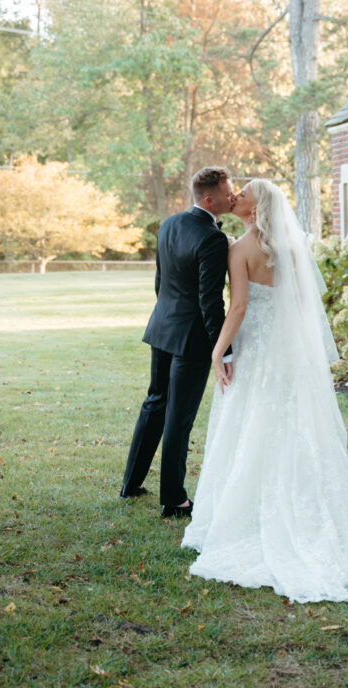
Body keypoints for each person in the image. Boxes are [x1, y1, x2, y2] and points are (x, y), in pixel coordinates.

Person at [182, 179, 348, 602]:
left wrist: (218, 350)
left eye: (243, 193)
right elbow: (304, 304)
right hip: (288, 350)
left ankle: (250, 517)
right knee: (292, 424)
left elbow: (240, 307)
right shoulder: (291, 246)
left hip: (257, 349)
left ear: (255, 206)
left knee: (251, 423)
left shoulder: (239, 249)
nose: (236, 196)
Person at [120, 166, 235, 517]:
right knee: (178, 418)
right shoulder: (212, 238)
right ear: (210, 198)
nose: (234, 196)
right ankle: (174, 499)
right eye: (229, 192)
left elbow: (160, 281)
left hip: (163, 327)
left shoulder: (168, 224)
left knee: (155, 403)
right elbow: (210, 302)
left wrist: (167, 317)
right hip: (192, 339)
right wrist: (224, 350)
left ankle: (131, 483)